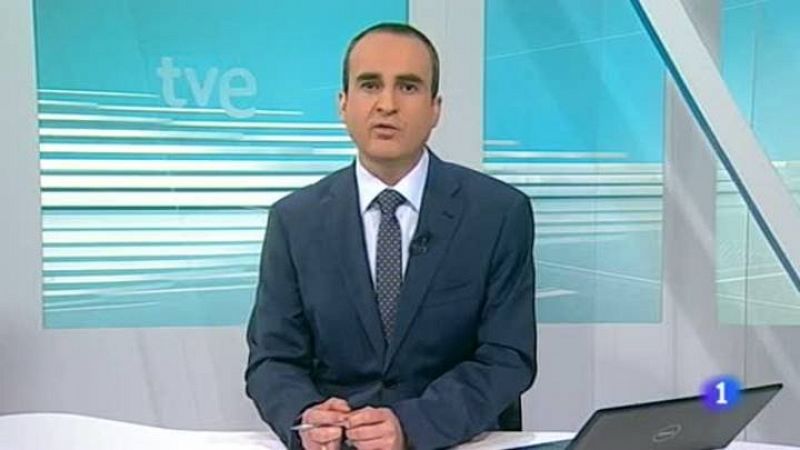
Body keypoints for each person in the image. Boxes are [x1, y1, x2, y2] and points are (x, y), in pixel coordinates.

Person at [245, 22, 536, 450]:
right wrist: (305, 416)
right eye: (369, 85)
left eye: (408, 87)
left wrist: (411, 425)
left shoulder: (497, 213)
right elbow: (272, 359)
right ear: (343, 104)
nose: (387, 104)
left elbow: (507, 356)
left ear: (435, 108)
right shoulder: (295, 221)